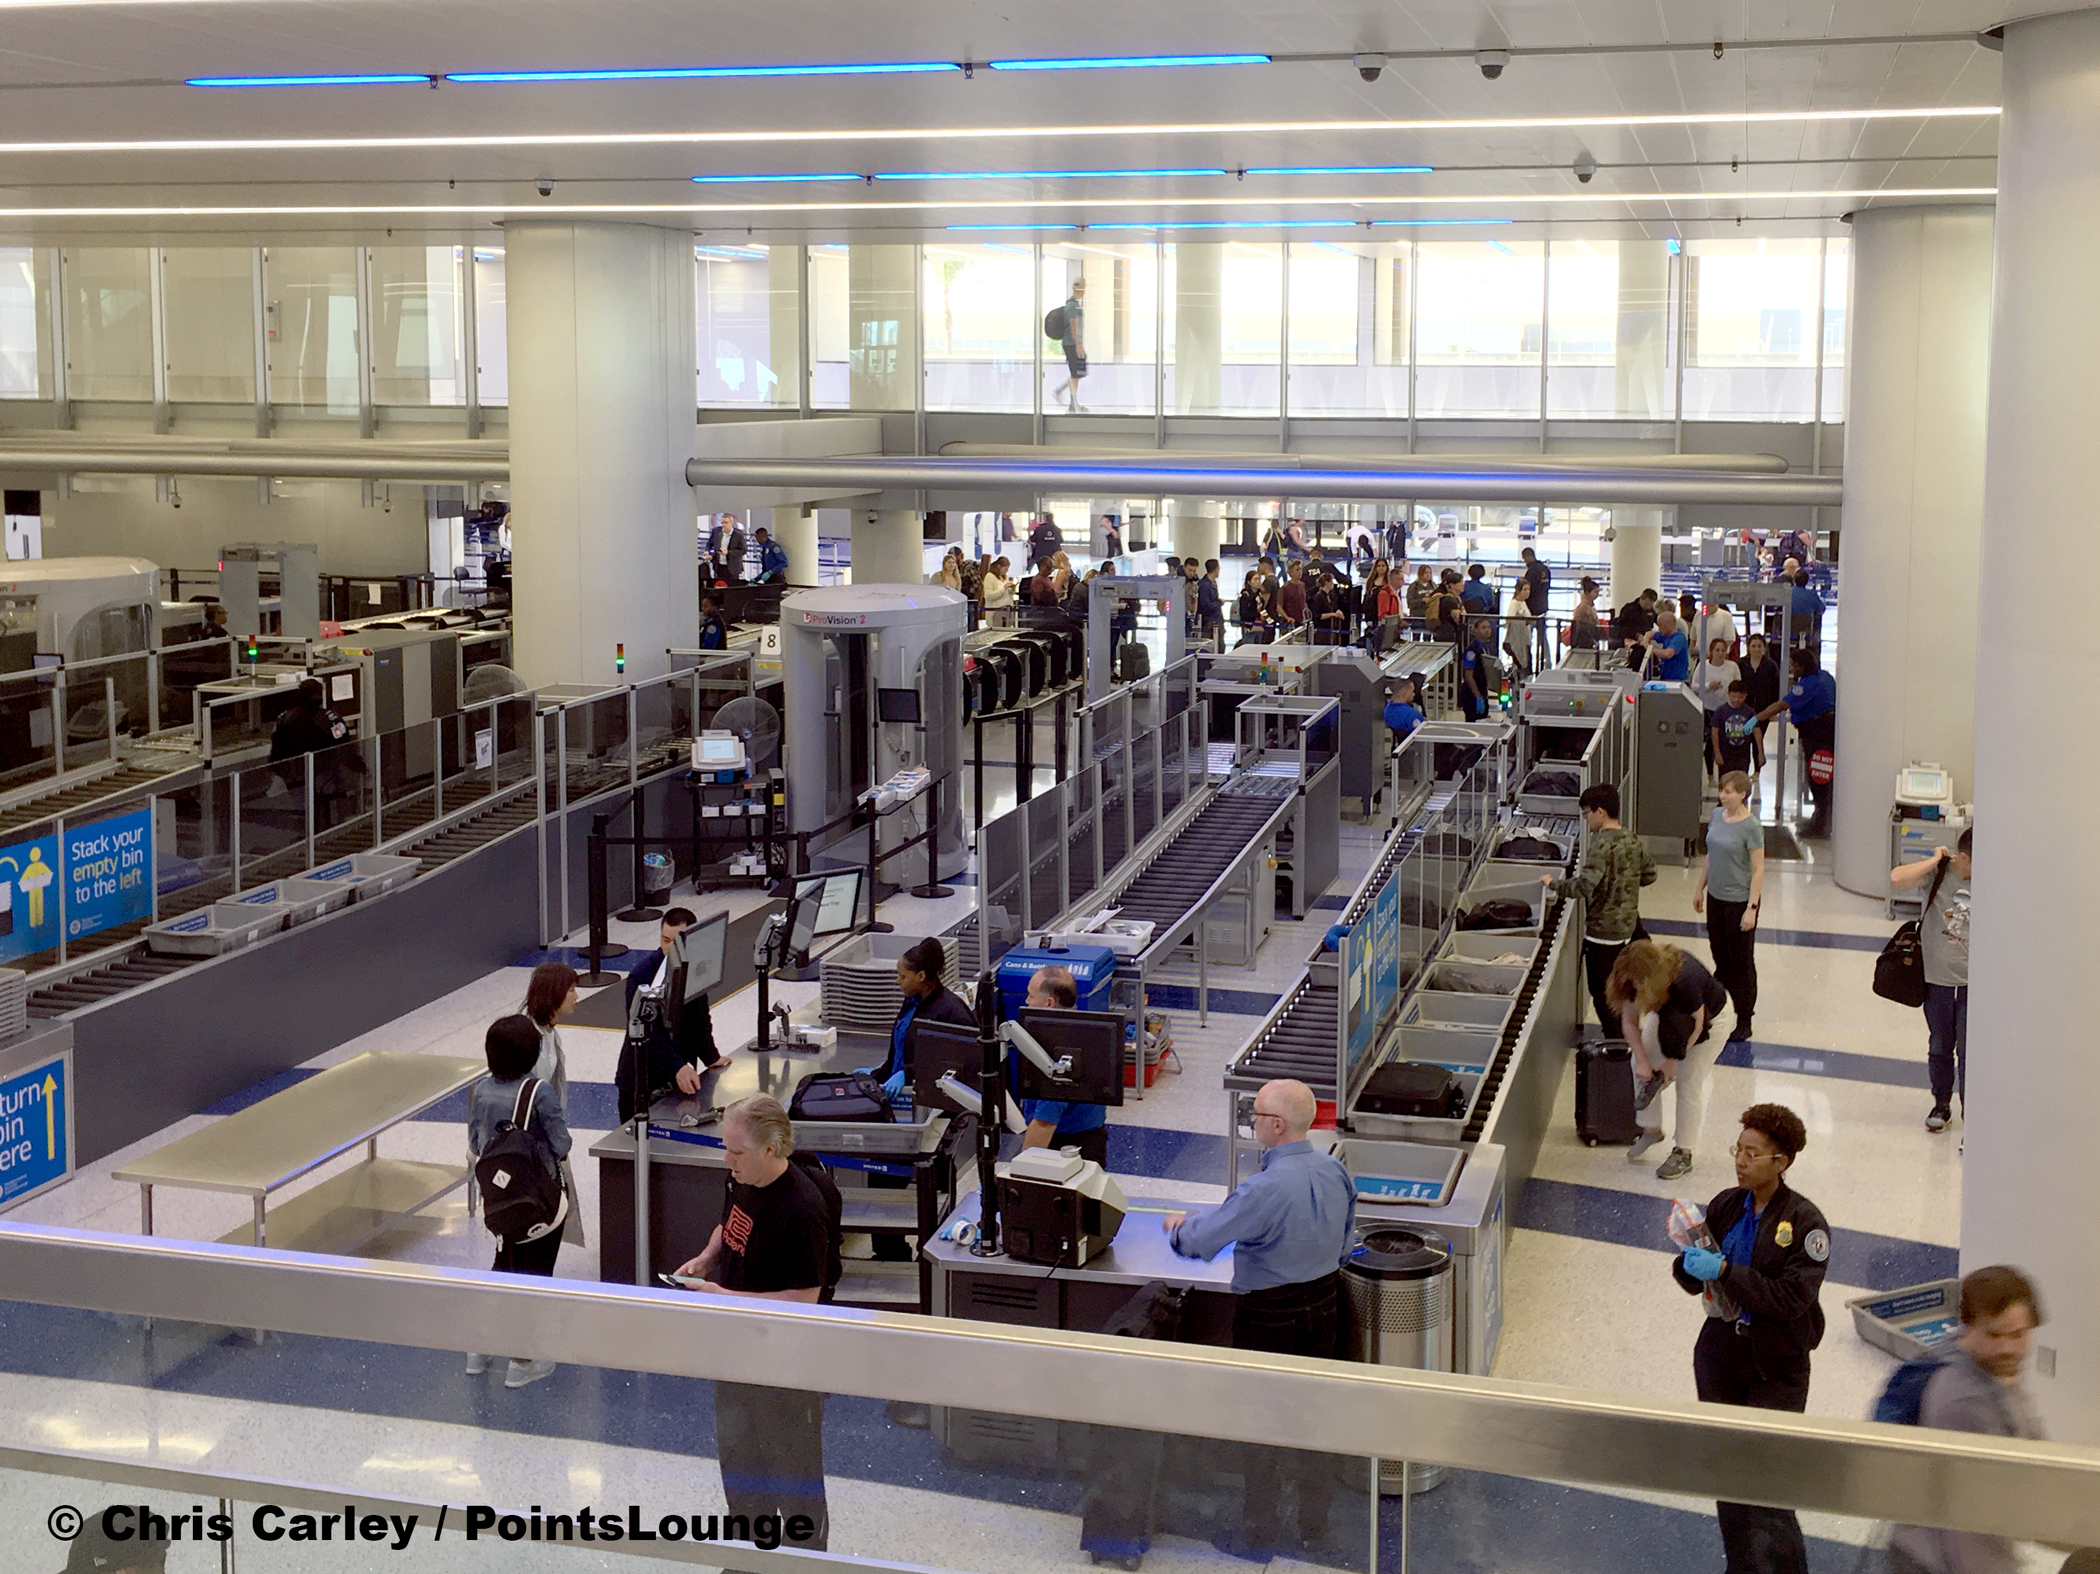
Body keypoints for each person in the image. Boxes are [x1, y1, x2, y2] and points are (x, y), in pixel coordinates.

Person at [1164, 1079, 1353, 1558]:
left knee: (1261, 1421)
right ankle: (1315, 1526)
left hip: (1270, 1317)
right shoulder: (1335, 1170)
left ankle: (1260, 1530)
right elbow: (1348, 1240)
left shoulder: (1263, 1188)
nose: (1252, 1120)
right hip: (1327, 1305)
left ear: (1276, 1124)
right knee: (1313, 1418)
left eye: (1257, 1113)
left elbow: (1201, 1242)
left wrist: (1179, 1228)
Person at [1672, 1103, 1829, 1574]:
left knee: (1766, 1482)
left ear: (1781, 1162)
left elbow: (1789, 1300)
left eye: (1752, 1153)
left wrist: (1725, 1270)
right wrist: (1687, 1260)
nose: (1740, 1161)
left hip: (1776, 1366)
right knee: (1728, 1473)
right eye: (1737, 1150)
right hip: (1722, 1356)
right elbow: (1692, 1275)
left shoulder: (1805, 1224)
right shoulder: (1725, 1204)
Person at [674, 1095, 835, 1549]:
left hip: (785, 1368)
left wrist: (722, 1297)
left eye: (737, 1152)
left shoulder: (802, 1210)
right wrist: (708, 1258)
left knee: (793, 1477)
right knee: (742, 1469)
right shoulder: (741, 1179)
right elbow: (729, 1225)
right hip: (736, 1357)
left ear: (771, 1149)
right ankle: (749, 1556)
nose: (728, 1161)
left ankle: (803, 1562)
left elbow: (805, 1299)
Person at [1888, 1266, 2050, 1574]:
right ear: (1967, 1326)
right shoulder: (1964, 1402)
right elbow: (1977, 1530)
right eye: (1993, 1334)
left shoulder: (1992, 1366)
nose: (2007, 1347)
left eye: (2018, 1335)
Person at [467, 1014, 573, 1388]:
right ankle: (523, 1360)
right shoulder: (538, 1091)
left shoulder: (480, 1089)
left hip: (498, 1198)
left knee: (504, 1263)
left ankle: (480, 1346)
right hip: (538, 1200)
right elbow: (561, 1144)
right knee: (536, 1274)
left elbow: (476, 1143)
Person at [869, 937, 973, 1260]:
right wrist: (881, 1074)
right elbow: (901, 1047)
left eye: (902, 976)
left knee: (935, 1190)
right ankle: (889, 1253)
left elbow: (959, 1065)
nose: (897, 981)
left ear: (922, 976)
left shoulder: (952, 1012)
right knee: (882, 1178)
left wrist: (911, 1075)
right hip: (900, 1108)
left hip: (935, 1117)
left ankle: (934, 1256)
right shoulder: (912, 1002)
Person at [1608, 938, 1727, 1180]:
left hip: (1711, 1021)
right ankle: (1651, 1129)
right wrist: (1643, 1061)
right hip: (1670, 1015)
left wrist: (1673, 1060)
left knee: (1687, 1081)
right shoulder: (1633, 979)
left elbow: (1699, 1025)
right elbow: (1629, 1023)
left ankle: (1684, 1151)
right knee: (1639, 1061)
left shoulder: (1685, 978)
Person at [1543, 783, 1657, 1030]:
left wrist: (1554, 885)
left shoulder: (1601, 845)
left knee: (1603, 992)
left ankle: (1615, 1041)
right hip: (1628, 928)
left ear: (1600, 812)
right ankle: (1629, 1035)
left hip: (1602, 934)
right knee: (1625, 988)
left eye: (1587, 814)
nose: (1586, 820)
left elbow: (1584, 886)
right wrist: (1624, 884)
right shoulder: (1631, 838)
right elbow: (1650, 875)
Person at [1890, 829, 1972, 1133]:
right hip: (1936, 978)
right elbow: (1897, 879)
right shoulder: (1940, 873)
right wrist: (1934, 860)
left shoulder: (1992, 878)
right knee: (1940, 1045)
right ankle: (1941, 1102)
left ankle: (1970, 1113)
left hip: (1972, 983)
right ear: (1962, 857)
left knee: (1968, 1050)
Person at [615, 907, 726, 1125]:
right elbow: (648, 1033)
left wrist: (711, 1056)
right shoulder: (642, 976)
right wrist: (677, 1066)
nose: (669, 950)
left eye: (676, 944)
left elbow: (700, 1015)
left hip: (678, 1079)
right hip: (643, 1081)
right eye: (665, 941)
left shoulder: (695, 967)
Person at [1696, 771, 1765, 1044]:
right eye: (1722, 790)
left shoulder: (1752, 827)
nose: (1723, 795)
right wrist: (1699, 887)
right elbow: (1711, 855)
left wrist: (1752, 907)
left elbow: (1758, 869)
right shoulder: (1716, 817)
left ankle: (1744, 1016)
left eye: (1729, 791)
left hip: (1739, 901)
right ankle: (1720, 1007)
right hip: (1716, 897)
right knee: (1720, 955)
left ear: (1743, 795)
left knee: (1742, 962)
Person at [1016, 966, 1109, 1162]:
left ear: (1049, 1003)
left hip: (1066, 1147)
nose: (1026, 1001)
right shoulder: (1081, 1028)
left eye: (1031, 996)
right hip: (1088, 1138)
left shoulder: (1061, 1049)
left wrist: (1020, 1174)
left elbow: (1044, 1123)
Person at [523, 959, 586, 1245]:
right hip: (531, 1146)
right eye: (571, 990)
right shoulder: (528, 1038)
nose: (577, 996)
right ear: (553, 993)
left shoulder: (551, 1033)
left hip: (547, 1140)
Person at [1758, 648, 1836, 837]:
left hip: (1816, 733)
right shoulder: (1825, 676)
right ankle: (1821, 819)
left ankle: (1821, 825)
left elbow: (1782, 705)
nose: (1791, 669)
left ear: (1803, 666)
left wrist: (1755, 718)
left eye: (1794, 665)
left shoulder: (1807, 685)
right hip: (1827, 731)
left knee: (1818, 777)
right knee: (1823, 776)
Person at [268, 676, 364, 825]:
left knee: (304, 810)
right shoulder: (329, 719)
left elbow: (276, 749)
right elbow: (344, 746)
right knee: (331, 812)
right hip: (325, 773)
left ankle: (309, 834)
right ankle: (330, 832)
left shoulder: (284, 719)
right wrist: (358, 766)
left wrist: (277, 771)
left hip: (296, 775)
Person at [1699, 636, 1743, 776]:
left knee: (1728, 741)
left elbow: (1738, 685)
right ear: (1711, 651)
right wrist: (1708, 686)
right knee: (1712, 742)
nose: (1720, 653)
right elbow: (1694, 686)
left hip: (1728, 710)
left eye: (1723, 650)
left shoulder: (1732, 666)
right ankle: (1710, 774)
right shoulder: (1703, 666)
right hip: (1709, 710)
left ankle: (1727, 772)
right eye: (1717, 650)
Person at [1738, 633, 1782, 768]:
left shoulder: (1771, 665)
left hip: (1764, 708)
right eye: (1753, 646)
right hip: (1745, 708)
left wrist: (1774, 709)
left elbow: (1776, 688)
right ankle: (1743, 769)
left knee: (1758, 739)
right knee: (1744, 739)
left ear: (1764, 647)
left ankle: (1757, 770)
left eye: (1759, 646)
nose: (1756, 649)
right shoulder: (1741, 664)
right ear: (1748, 647)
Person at [1711, 680, 1759, 789]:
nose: (1736, 700)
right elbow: (1715, 733)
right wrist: (1717, 753)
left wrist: (1760, 752)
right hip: (1726, 754)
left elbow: (1757, 732)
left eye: (1740, 697)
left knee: (1741, 781)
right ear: (1728, 694)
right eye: (1733, 696)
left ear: (1745, 696)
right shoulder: (1721, 711)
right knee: (1724, 781)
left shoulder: (1749, 712)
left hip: (1743, 755)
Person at [1051, 275, 1088, 411]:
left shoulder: (1072, 304)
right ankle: (1073, 403)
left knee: (1079, 372)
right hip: (1071, 344)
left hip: (1072, 343)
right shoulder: (1072, 306)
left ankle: (1061, 391)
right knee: (1076, 374)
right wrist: (1078, 344)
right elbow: (1073, 324)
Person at [1644, 603, 1691, 682]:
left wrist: (1648, 647)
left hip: (1677, 680)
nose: (1659, 629)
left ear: (1667, 625)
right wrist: (1645, 640)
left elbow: (1668, 654)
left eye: (1660, 626)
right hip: (1665, 678)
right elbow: (1649, 634)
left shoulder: (1679, 638)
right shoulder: (1665, 635)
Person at [1615, 587, 1660, 668]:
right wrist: (1636, 635)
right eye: (1649, 602)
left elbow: (1658, 621)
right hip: (1631, 641)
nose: (1650, 605)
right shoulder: (1629, 609)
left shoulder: (1651, 612)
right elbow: (1622, 627)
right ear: (1642, 598)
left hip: (1645, 639)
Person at [1460, 615, 1494, 719]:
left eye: (1488, 627)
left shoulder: (1486, 647)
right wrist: (1478, 696)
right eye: (1483, 628)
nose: (1487, 630)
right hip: (1472, 694)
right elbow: (1468, 676)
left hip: (1482, 689)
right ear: (1475, 630)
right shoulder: (1472, 650)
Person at [1382, 675, 1424, 743]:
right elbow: (1422, 731)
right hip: (1415, 746)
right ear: (1406, 694)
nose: (1414, 694)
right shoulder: (1410, 714)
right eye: (1412, 691)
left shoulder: (1387, 710)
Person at [1237, 568, 1272, 643]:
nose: (1257, 582)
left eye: (1259, 579)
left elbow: (1261, 608)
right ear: (1249, 582)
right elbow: (1244, 613)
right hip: (1249, 626)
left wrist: (1269, 620)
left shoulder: (1259, 594)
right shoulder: (1246, 595)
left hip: (1259, 626)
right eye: (1255, 580)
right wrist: (1258, 615)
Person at [1196, 558, 1225, 647]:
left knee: (1219, 645)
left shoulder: (1212, 583)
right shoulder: (1204, 585)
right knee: (1212, 646)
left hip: (1215, 619)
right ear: (1216, 569)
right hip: (1210, 622)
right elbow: (1205, 605)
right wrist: (1219, 603)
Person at [1569, 575, 1602, 650]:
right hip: (1583, 639)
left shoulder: (1588, 605)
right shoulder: (1584, 606)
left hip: (1586, 638)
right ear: (1587, 592)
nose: (1597, 595)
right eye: (1595, 592)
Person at [1276, 560, 1309, 629]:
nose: (1300, 572)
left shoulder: (1303, 585)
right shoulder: (1285, 587)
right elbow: (1279, 607)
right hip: (1289, 623)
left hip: (1302, 622)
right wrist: (1287, 618)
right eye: (1297, 570)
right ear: (1291, 572)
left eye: (1300, 569)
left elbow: (1304, 601)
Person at [716, 516, 748, 585]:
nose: (724, 525)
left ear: (731, 523)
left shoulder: (738, 535)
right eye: (722, 523)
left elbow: (744, 550)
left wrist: (729, 552)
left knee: (732, 588)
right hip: (720, 566)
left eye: (726, 523)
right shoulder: (720, 534)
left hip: (733, 568)